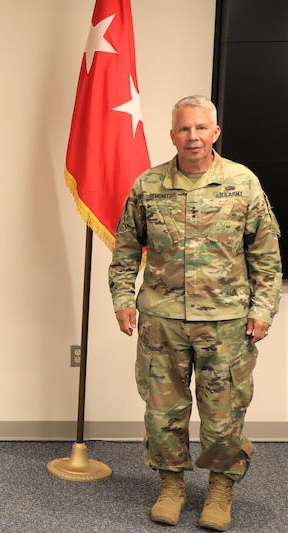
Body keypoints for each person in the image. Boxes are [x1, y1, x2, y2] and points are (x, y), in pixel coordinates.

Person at [108, 95, 281, 532]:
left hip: (226, 324)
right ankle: (171, 487)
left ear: (215, 133)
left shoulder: (243, 183)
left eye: (201, 128)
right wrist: (123, 300)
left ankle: (220, 491)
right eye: (184, 129)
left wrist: (263, 309)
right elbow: (126, 249)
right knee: (163, 412)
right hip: (161, 322)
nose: (193, 137)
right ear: (172, 136)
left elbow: (266, 255)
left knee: (224, 415)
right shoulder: (148, 186)